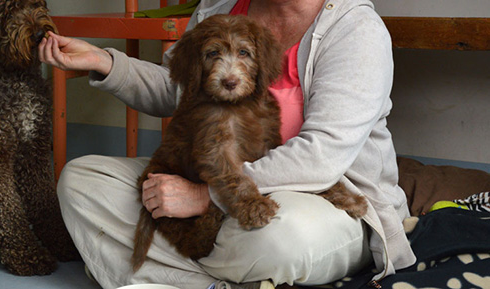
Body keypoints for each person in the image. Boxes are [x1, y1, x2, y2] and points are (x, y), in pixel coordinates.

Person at [39, 0, 417, 288]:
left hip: (321, 196)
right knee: (81, 180)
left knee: (284, 236)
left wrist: (206, 196)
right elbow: (178, 89)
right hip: (217, 182)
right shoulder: (220, 7)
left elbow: (322, 156)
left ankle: (158, 272)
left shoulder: (355, 29)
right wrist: (104, 61)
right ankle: (219, 281)